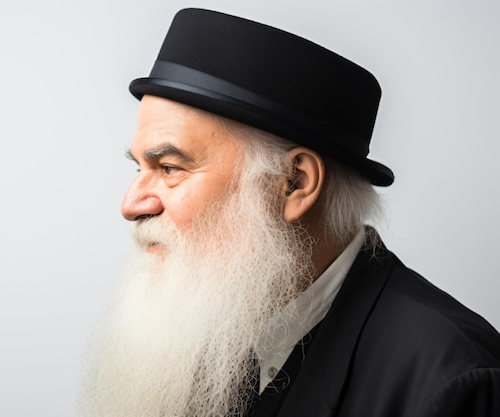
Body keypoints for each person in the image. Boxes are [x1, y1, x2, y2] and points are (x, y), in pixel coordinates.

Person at [81, 8, 500, 417]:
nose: (131, 204)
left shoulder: (451, 381)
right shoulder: (208, 323)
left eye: (169, 168)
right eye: (140, 167)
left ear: (294, 182)